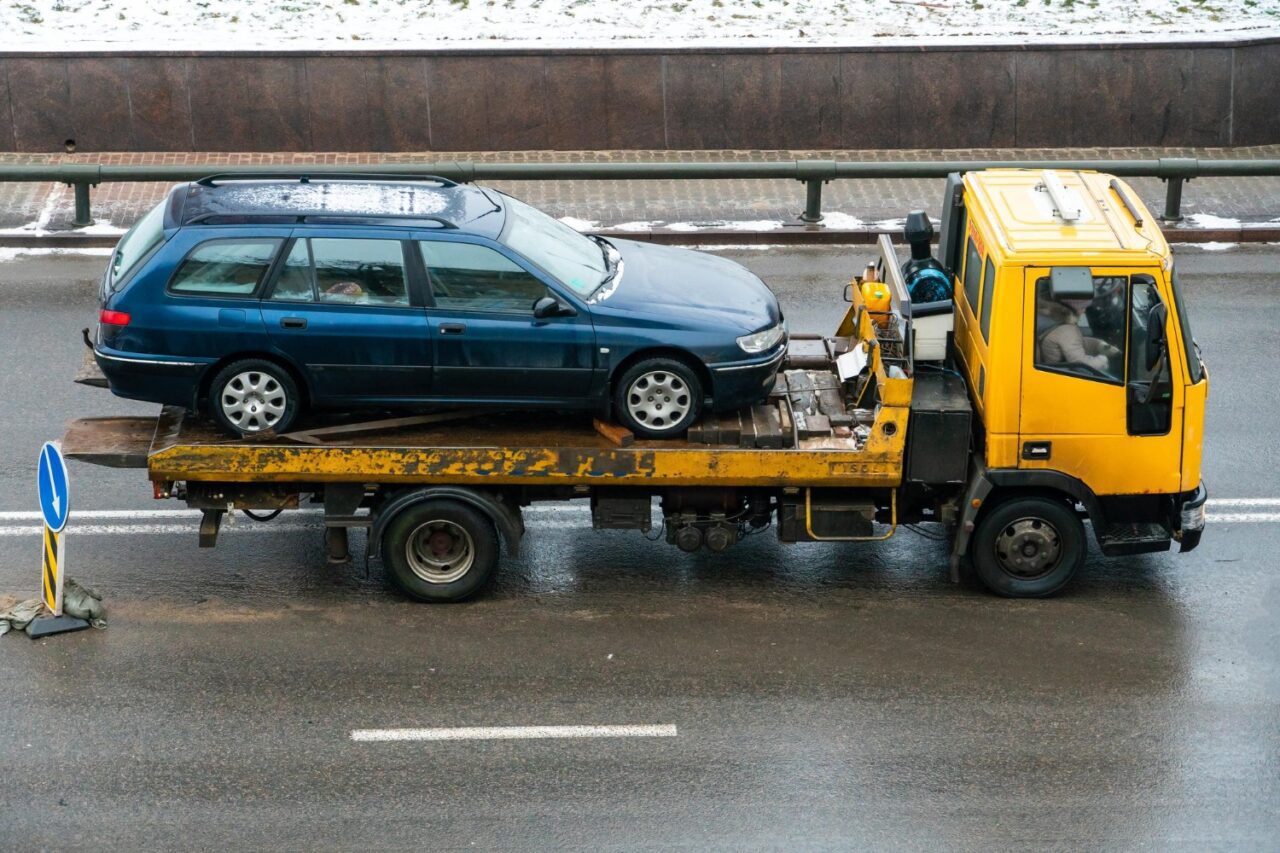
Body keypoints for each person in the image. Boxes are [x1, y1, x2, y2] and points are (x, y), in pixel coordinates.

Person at [1035, 279, 1121, 375]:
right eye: (1082, 307)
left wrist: (1097, 345)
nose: (1084, 311)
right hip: (1059, 375)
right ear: (1071, 307)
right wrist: (1102, 359)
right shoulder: (1067, 330)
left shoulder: (1052, 319)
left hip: (1057, 365)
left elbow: (1073, 343)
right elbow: (1082, 366)